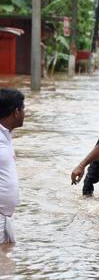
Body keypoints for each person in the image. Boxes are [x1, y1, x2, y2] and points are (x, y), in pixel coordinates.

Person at [0, 88, 25, 244]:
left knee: (6, 264)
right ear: (16, 111)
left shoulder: (6, 135)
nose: (24, 114)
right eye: (23, 109)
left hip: (5, 218)